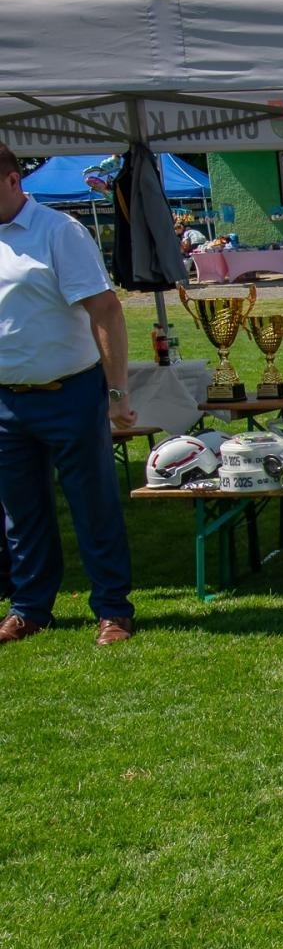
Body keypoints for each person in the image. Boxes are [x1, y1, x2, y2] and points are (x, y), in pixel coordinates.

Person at [0, 142, 138, 646]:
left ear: (14, 181)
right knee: (20, 512)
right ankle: (30, 608)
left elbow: (106, 310)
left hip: (69, 392)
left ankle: (113, 611)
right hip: (6, 400)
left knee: (92, 505)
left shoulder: (59, 231)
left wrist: (117, 390)